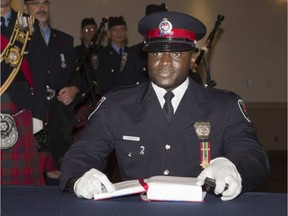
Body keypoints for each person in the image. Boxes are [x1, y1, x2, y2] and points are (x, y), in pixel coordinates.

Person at [60, 11, 269, 201]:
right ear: (147, 57)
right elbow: (82, 152)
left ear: (193, 57)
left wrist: (232, 166)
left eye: (177, 54)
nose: (165, 62)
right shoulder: (117, 105)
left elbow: (252, 154)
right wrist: (80, 178)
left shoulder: (224, 106)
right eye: (157, 53)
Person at [24, 0, 83, 176]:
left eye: (45, 3)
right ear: (25, 8)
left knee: (61, 173)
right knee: (31, 174)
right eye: (35, 3)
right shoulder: (18, 40)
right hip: (30, 109)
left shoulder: (65, 40)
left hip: (59, 115)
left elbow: (78, 76)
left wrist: (74, 89)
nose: (41, 8)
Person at [1, 0, 47, 185]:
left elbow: (40, 73)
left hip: (20, 110)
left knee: (23, 187)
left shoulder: (26, 24)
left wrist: (38, 113)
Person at [98, 16, 148, 93]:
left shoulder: (133, 53)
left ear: (126, 32)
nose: (119, 33)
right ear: (108, 33)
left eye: (122, 29)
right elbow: (103, 83)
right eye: (114, 30)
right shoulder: (102, 55)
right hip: (113, 98)